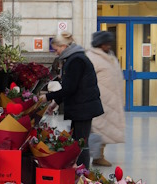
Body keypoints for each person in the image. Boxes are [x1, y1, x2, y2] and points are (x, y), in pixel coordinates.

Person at [42, 31, 104, 168]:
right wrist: (55, 103)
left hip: (83, 107)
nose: (55, 53)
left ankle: (83, 173)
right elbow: (69, 86)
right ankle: (80, 170)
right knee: (78, 141)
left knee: (81, 143)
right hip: (81, 107)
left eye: (56, 49)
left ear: (63, 46)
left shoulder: (76, 60)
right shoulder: (74, 58)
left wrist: (47, 97)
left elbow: (70, 88)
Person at [85, 30, 125, 167]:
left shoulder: (110, 57)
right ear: (99, 44)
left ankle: (99, 155)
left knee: (104, 129)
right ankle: (95, 156)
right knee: (97, 129)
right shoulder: (91, 57)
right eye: (106, 44)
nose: (108, 46)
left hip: (111, 100)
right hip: (100, 99)